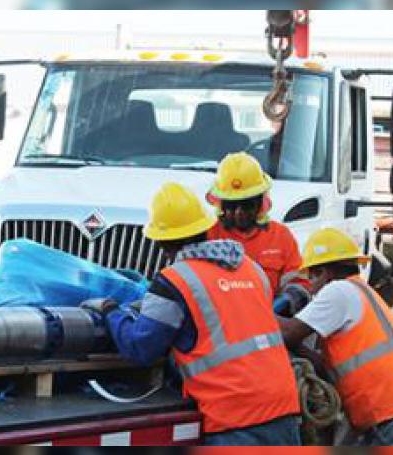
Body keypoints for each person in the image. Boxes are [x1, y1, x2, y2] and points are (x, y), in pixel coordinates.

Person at [82, 182, 301, 446]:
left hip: (236, 416)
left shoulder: (175, 280)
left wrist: (110, 311)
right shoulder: (251, 269)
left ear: (161, 242)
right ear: (205, 228)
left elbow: (141, 347)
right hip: (283, 404)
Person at [279, 227, 393, 446]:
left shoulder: (338, 292)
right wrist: (300, 350)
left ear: (325, 272)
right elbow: (327, 367)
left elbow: (287, 333)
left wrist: (253, 304)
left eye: (311, 276)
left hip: (392, 418)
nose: (310, 287)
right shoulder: (361, 292)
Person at [205, 151, 310, 316]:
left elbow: (299, 283)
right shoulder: (208, 236)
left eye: (246, 205)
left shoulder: (280, 236)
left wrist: (286, 302)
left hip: (270, 323)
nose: (239, 213)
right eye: (232, 206)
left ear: (260, 202)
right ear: (221, 205)